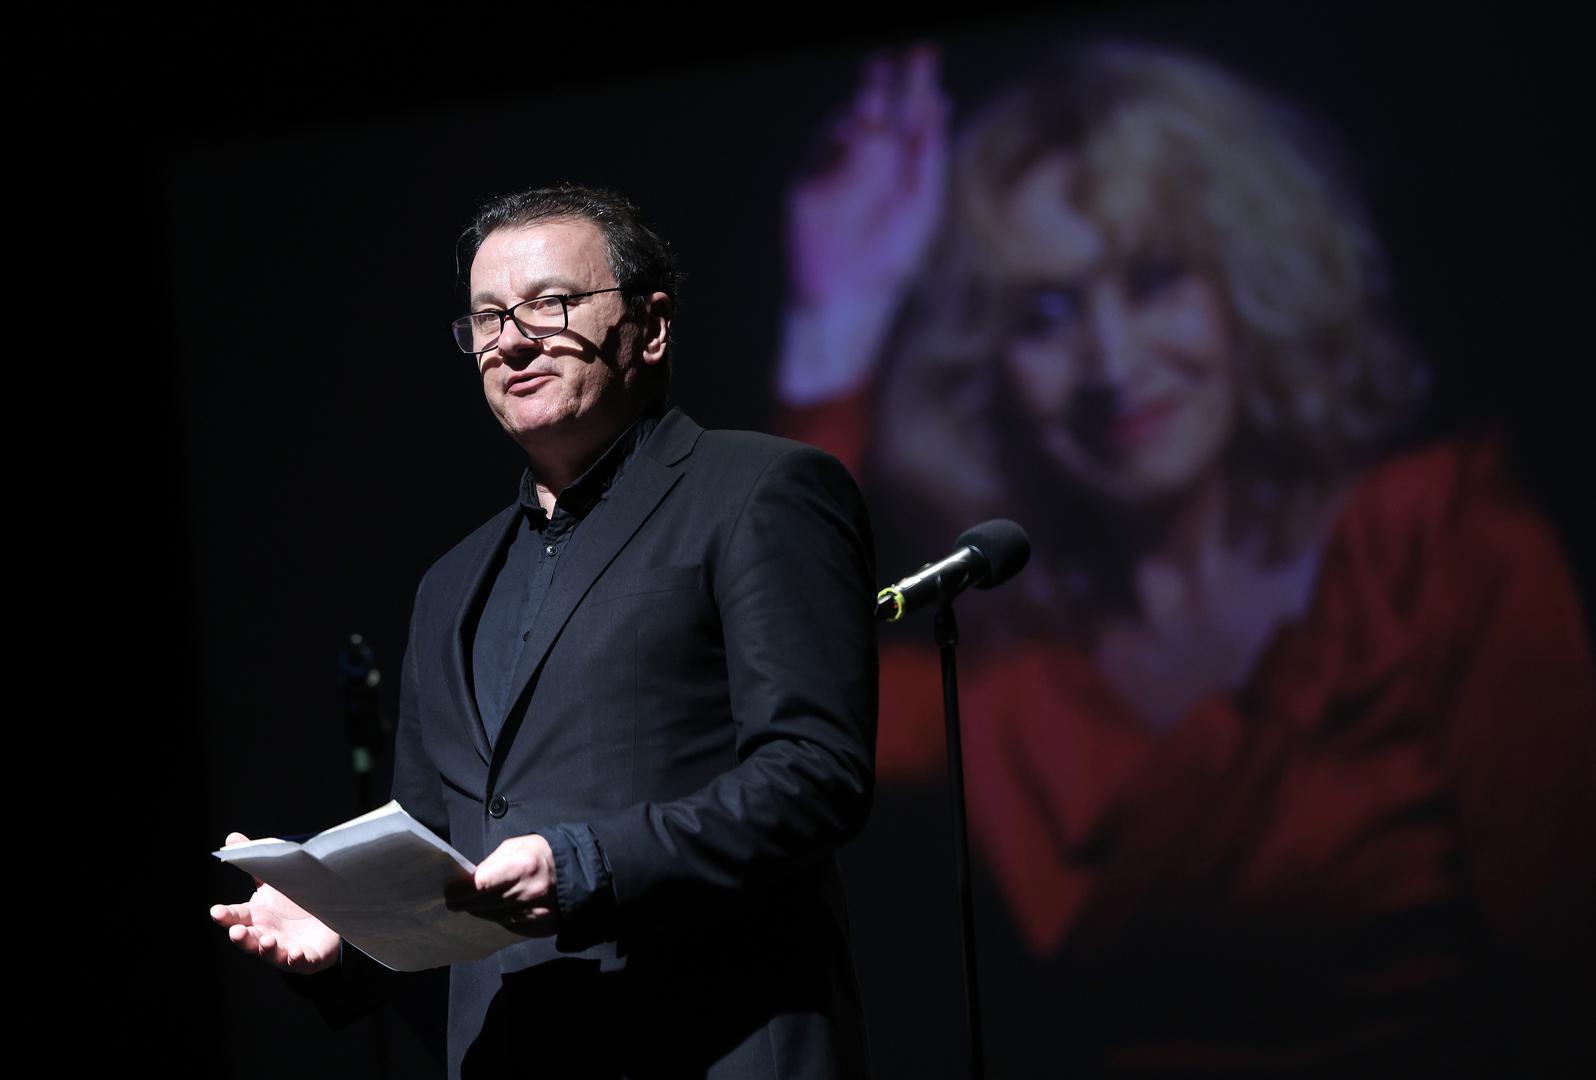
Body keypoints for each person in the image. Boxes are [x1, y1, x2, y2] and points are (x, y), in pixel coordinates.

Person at [777, 43, 1595, 1073]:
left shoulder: (1441, 549)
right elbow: (763, 688)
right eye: (1044, 316)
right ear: (986, 370)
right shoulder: (1007, 677)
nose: (1112, 365)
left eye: (1155, 279)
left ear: (1251, 282)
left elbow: (1572, 985)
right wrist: (837, 317)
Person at [212, 184, 878, 1079]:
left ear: (651, 327)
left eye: (550, 304)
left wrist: (585, 864)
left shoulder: (759, 492)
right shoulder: (450, 585)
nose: (512, 341)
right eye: (488, 318)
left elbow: (814, 777)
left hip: (712, 1045)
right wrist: (347, 930)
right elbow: (435, 861)